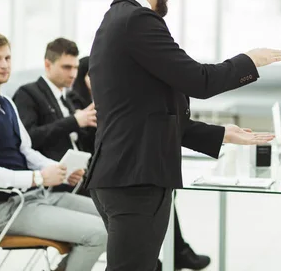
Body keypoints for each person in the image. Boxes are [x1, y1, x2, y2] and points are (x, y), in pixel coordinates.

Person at [84, 0, 281, 271]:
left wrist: (221, 134)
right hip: (135, 180)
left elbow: (149, 115)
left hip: (122, 176)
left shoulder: (114, 22)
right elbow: (199, 80)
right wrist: (251, 60)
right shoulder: (137, 20)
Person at [0, 33, 106, 271]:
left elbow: (27, 151)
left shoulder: (6, 104)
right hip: (5, 208)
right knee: (100, 233)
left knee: (115, 217)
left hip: (34, 196)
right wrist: (39, 177)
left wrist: (58, 171)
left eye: (8, 58)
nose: (4, 64)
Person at [71, 56, 212, 270]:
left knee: (160, 196)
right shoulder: (80, 104)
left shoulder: (117, 98)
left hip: (116, 173)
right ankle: (175, 253)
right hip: (101, 176)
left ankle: (173, 253)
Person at [13, 38, 97, 164]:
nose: (73, 74)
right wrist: (74, 121)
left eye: (76, 68)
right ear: (47, 65)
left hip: (78, 174)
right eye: (66, 67)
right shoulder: (27, 94)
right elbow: (28, 138)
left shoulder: (69, 98)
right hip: (51, 176)